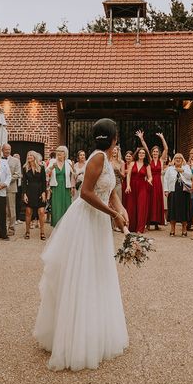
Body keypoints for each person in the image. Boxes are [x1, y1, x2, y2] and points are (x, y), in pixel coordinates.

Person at [34, 118, 129, 371]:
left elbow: (110, 190)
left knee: (99, 273)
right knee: (84, 273)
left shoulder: (106, 160)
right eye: (116, 135)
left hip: (99, 220)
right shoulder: (97, 157)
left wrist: (120, 207)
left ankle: (96, 329)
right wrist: (113, 214)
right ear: (112, 138)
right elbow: (86, 193)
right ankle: (75, 338)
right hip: (87, 220)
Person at [136, 130, 168, 230]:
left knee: (157, 201)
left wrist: (162, 138)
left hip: (158, 182)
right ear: (151, 153)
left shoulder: (161, 160)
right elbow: (145, 147)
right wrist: (141, 139)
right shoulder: (149, 159)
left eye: (156, 151)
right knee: (149, 202)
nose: (155, 153)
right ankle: (148, 223)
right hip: (149, 182)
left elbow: (166, 148)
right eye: (154, 151)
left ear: (158, 153)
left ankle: (157, 223)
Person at [164, 153, 192, 236]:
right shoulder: (170, 168)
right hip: (173, 191)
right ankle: (172, 229)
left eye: (180, 158)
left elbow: (190, 176)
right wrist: (166, 190)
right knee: (173, 211)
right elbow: (166, 179)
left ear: (182, 159)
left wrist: (182, 171)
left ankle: (184, 229)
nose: (178, 159)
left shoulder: (186, 167)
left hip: (184, 192)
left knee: (184, 210)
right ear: (174, 159)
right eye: (176, 158)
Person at [125, 147, 152, 233]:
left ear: (145, 155)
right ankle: (132, 227)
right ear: (137, 154)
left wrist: (149, 180)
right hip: (132, 186)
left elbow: (150, 176)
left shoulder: (147, 165)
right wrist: (128, 185)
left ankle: (140, 228)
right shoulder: (132, 163)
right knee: (131, 206)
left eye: (143, 153)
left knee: (141, 206)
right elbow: (128, 175)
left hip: (142, 187)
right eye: (140, 153)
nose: (141, 154)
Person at [46, 146, 74, 226]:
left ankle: (65, 226)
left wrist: (72, 187)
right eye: (58, 152)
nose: (59, 153)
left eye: (61, 152)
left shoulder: (68, 162)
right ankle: (56, 225)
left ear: (65, 154)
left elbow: (73, 175)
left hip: (66, 187)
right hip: (55, 187)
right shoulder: (52, 161)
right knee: (56, 207)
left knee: (66, 206)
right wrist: (51, 168)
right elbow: (46, 172)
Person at [22, 151, 47, 240]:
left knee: (41, 212)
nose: (29, 156)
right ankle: (27, 231)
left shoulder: (41, 167)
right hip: (30, 191)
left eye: (31, 155)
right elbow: (24, 182)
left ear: (34, 157)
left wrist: (44, 193)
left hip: (40, 191)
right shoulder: (25, 168)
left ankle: (42, 232)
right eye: (28, 155)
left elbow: (44, 182)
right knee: (28, 212)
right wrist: (24, 194)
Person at [2, 143, 22, 235]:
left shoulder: (15, 161)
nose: (7, 151)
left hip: (10, 187)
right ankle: (2, 228)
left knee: (11, 209)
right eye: (5, 149)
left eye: (8, 149)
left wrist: (6, 181)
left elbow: (18, 174)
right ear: (2, 150)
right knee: (1, 209)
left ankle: (11, 228)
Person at [110, 146, 125, 230]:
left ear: (118, 152)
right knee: (109, 205)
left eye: (115, 150)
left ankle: (116, 225)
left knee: (117, 204)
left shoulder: (121, 162)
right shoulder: (108, 160)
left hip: (118, 184)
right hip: (109, 184)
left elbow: (123, 176)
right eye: (113, 150)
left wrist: (118, 171)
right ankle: (109, 225)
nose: (114, 152)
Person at [122, 150, 135, 232]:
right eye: (127, 156)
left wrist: (128, 172)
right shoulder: (123, 164)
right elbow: (123, 173)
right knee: (124, 202)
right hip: (124, 184)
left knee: (131, 203)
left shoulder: (134, 164)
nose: (128, 157)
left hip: (132, 184)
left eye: (129, 156)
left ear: (132, 157)